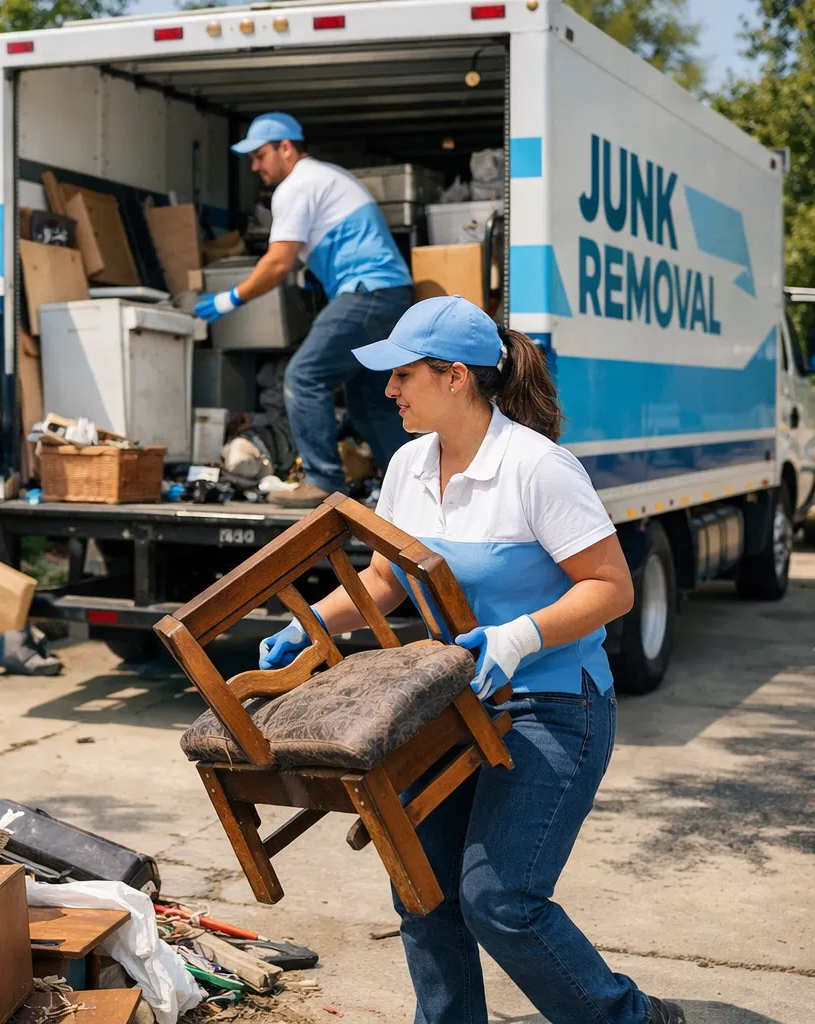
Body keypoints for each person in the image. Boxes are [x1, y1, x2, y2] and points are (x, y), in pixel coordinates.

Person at [257, 296, 683, 1024]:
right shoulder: (408, 465)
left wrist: (516, 637)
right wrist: (308, 623)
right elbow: (388, 578)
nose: (388, 390)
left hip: (552, 706)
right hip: (451, 706)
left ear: (455, 377)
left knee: (502, 902)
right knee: (422, 889)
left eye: (402, 375)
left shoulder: (537, 468)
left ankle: (632, 1019)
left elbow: (610, 588)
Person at [195, 112, 415, 506]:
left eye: (260, 155)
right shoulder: (328, 177)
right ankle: (414, 491)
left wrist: (228, 299)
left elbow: (279, 262)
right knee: (371, 404)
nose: (255, 166)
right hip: (388, 295)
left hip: (367, 294)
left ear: (286, 147)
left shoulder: (297, 185)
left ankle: (324, 482)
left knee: (304, 376)